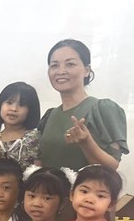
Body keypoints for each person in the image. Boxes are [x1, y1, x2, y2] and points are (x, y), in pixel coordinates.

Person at [39, 39, 128, 170]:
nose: (61, 71)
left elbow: (111, 167)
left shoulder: (102, 109)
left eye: (70, 64)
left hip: (86, 184)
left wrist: (87, 143)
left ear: (87, 70)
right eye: (54, 65)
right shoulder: (49, 116)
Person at [0, 81, 42, 174]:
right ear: (0, 105)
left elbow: (38, 175)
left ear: (30, 110)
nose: (14, 109)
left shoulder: (34, 139)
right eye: (9, 103)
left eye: (21, 105)